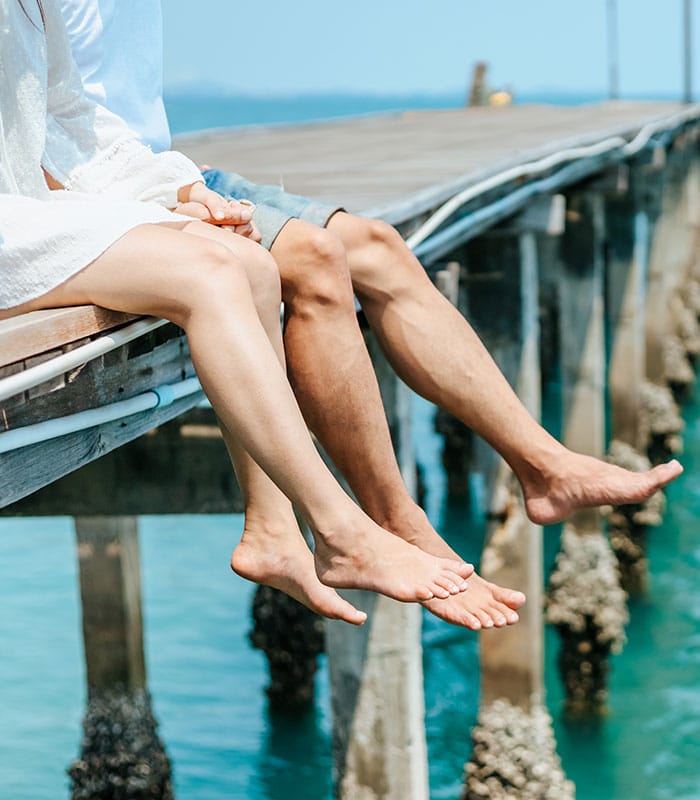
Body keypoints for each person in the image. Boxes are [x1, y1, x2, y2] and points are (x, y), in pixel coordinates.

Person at [57, 0, 682, 632]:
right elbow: (39, 138)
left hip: (156, 167)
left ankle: (543, 466)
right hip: (98, 191)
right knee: (313, 259)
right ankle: (391, 523)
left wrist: (183, 188)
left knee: (378, 245)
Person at [1, 0, 490, 629]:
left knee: (248, 261)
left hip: (21, 213)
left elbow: (65, 119)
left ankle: (272, 530)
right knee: (208, 276)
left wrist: (182, 193)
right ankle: (341, 530)